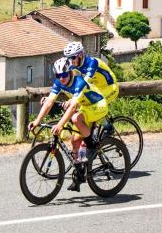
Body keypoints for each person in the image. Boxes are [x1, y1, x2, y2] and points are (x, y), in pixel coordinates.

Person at [28, 56, 108, 191]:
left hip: (98, 105)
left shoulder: (79, 82)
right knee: (75, 142)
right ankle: (80, 174)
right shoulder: (59, 82)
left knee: (75, 118)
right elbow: (49, 102)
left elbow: (72, 107)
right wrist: (37, 121)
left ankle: (92, 145)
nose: (62, 78)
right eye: (58, 75)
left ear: (71, 72)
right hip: (85, 108)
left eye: (64, 74)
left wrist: (59, 125)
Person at [63, 41, 117, 134]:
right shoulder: (72, 66)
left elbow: (84, 82)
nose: (71, 61)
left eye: (72, 57)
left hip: (109, 87)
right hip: (96, 88)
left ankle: (108, 128)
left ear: (80, 55)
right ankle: (91, 133)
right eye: (68, 58)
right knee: (83, 109)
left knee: (96, 105)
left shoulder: (92, 62)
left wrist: (73, 99)